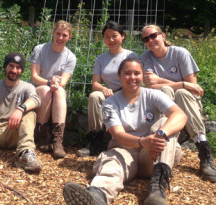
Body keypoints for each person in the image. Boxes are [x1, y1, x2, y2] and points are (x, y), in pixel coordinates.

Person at [63, 58, 187, 205]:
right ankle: (97, 196)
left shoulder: (153, 94)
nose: (133, 77)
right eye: (127, 73)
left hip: (155, 155)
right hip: (125, 151)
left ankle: (157, 190)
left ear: (142, 76)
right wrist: (143, 142)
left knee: (166, 124)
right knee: (112, 163)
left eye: (137, 73)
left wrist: (159, 135)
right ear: (120, 76)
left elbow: (180, 115)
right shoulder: (110, 103)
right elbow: (119, 135)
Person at [140, 24, 216, 183]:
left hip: (188, 103)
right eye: (146, 39)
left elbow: (193, 88)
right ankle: (164, 151)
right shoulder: (146, 58)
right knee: (166, 91)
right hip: (167, 107)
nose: (150, 40)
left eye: (153, 36)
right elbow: (151, 86)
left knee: (180, 93)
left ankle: (204, 152)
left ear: (162, 36)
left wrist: (162, 81)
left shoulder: (180, 53)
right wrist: (181, 83)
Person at [77, 21, 138, 157]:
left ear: (122, 36)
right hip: (108, 93)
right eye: (106, 36)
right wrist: (104, 89)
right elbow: (95, 83)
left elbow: (135, 80)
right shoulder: (101, 59)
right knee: (94, 96)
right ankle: (96, 140)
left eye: (114, 35)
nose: (111, 40)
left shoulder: (131, 56)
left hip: (126, 93)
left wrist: (122, 91)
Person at [29, 20, 76, 159]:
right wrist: (50, 82)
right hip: (38, 88)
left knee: (60, 91)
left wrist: (56, 84)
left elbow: (64, 81)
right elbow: (34, 77)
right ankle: (42, 134)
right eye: (58, 34)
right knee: (45, 90)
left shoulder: (70, 57)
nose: (60, 38)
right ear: (53, 33)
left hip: (55, 89)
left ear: (69, 37)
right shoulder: (40, 49)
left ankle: (58, 141)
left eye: (64, 35)